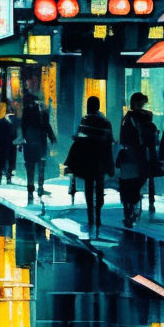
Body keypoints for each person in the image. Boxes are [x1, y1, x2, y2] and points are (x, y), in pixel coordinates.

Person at [64, 96, 114, 238]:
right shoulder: (105, 122)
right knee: (99, 187)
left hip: (86, 160)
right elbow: (109, 142)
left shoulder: (84, 120)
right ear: (98, 106)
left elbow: (79, 139)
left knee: (88, 188)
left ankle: (90, 216)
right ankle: (98, 215)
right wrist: (109, 164)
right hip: (100, 159)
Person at [118, 92, 159, 228]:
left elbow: (123, 137)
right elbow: (152, 138)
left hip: (130, 154)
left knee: (127, 183)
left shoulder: (127, 118)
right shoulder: (146, 118)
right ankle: (133, 207)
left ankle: (128, 210)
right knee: (137, 182)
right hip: (141, 155)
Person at [21, 93, 56, 202]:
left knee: (30, 168)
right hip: (41, 144)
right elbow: (47, 126)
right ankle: (40, 187)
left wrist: (22, 140)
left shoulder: (26, 112)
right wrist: (52, 137)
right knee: (41, 167)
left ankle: (30, 188)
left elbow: (23, 127)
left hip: (29, 145)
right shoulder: (43, 113)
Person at [0, 102, 18, 185]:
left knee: (0, 161)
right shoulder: (15, 121)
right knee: (10, 160)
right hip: (11, 143)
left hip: (0, 144)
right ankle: (8, 178)